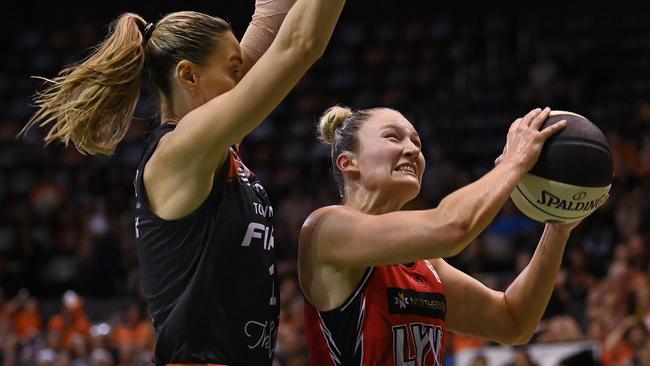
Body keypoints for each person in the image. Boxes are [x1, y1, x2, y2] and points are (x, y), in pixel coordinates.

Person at [21, 0, 346, 364]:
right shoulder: (181, 152)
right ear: (189, 76)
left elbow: (273, 23)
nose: (245, 82)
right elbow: (300, 43)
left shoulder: (213, 148)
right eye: (234, 71)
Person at [299, 106, 595, 365]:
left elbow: (514, 322)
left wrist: (558, 226)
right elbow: (452, 228)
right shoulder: (326, 230)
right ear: (348, 163)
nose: (413, 149)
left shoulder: (424, 263)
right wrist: (513, 162)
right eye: (393, 137)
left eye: (416, 141)